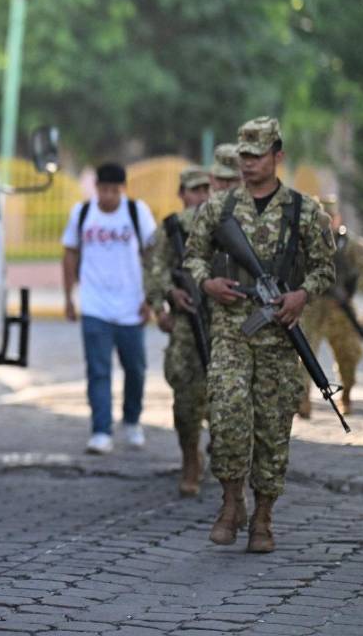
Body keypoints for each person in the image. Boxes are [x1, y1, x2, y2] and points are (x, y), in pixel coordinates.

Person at [184, 117, 334, 553]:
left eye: (256, 155)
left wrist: (302, 295)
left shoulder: (304, 211)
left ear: (278, 156)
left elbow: (325, 269)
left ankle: (264, 516)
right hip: (231, 332)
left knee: (272, 430)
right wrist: (208, 283)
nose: (247, 163)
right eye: (243, 155)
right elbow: (193, 258)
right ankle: (232, 504)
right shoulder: (220, 208)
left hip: (279, 338)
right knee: (228, 415)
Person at [62, 162, 157, 454]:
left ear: (123, 189)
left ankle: (131, 421)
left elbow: (153, 254)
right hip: (95, 305)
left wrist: (150, 298)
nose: (109, 196)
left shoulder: (136, 212)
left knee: (136, 369)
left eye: (115, 190)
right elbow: (69, 254)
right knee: (98, 370)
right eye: (104, 189)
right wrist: (69, 297)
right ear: (97, 188)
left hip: (131, 305)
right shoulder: (82, 214)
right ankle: (101, 430)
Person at [146, 166, 212, 496]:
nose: (200, 197)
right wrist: (165, 301)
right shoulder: (173, 229)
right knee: (186, 399)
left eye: (206, 190)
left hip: (226, 323)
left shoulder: (225, 225)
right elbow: (156, 269)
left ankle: (229, 458)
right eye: (193, 190)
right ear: (182, 194)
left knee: (226, 400)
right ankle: (190, 458)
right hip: (188, 323)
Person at [298, 195, 363, 417]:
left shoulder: (351, 246)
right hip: (313, 306)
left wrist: (349, 294)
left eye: (330, 217)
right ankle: (303, 397)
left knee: (350, 354)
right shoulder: (302, 243)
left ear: (337, 218)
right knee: (304, 353)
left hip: (340, 308)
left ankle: (345, 394)